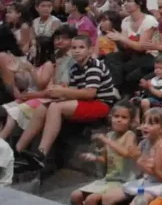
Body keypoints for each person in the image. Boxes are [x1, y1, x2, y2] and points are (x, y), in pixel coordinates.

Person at [14, 35, 118, 171]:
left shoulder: (94, 66)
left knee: (56, 107)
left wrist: (63, 92)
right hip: (85, 102)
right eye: (74, 48)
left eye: (81, 47)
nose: (77, 51)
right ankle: (18, 150)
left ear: (90, 49)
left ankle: (41, 153)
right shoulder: (74, 68)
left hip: (101, 104)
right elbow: (75, 90)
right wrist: (59, 92)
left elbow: (90, 93)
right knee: (44, 105)